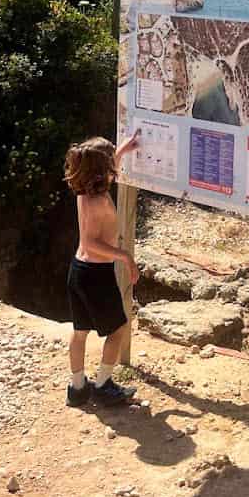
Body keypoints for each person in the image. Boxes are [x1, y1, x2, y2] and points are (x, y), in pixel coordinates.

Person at [63, 131, 142, 408]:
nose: (113, 168)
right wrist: (125, 256)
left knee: (80, 330)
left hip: (78, 271)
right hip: (97, 274)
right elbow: (90, 243)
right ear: (101, 169)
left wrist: (121, 151)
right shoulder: (98, 202)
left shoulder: (85, 192)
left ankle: (77, 388)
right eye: (110, 161)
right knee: (118, 329)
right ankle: (103, 385)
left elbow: (109, 173)